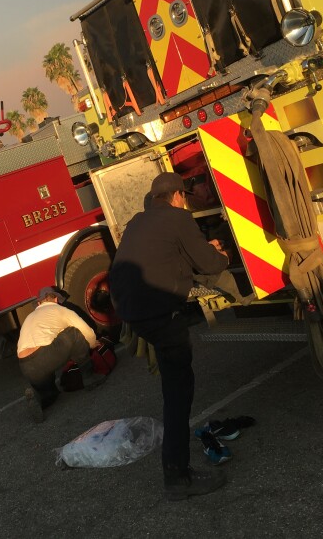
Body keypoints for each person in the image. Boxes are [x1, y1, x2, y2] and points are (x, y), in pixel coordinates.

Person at [109, 171, 233, 501]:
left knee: (173, 383)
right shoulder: (179, 218)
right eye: (185, 199)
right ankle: (177, 477)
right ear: (178, 196)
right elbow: (207, 263)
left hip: (133, 313)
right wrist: (223, 253)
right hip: (159, 314)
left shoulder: (138, 221)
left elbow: (164, 257)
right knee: (179, 392)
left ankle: (176, 470)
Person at [17, 286, 106, 423]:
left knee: (51, 394)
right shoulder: (60, 309)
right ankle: (89, 378)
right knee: (73, 333)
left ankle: (39, 398)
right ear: (57, 299)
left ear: (39, 303)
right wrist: (93, 343)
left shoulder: (30, 317)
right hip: (46, 357)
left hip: (26, 366)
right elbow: (85, 330)